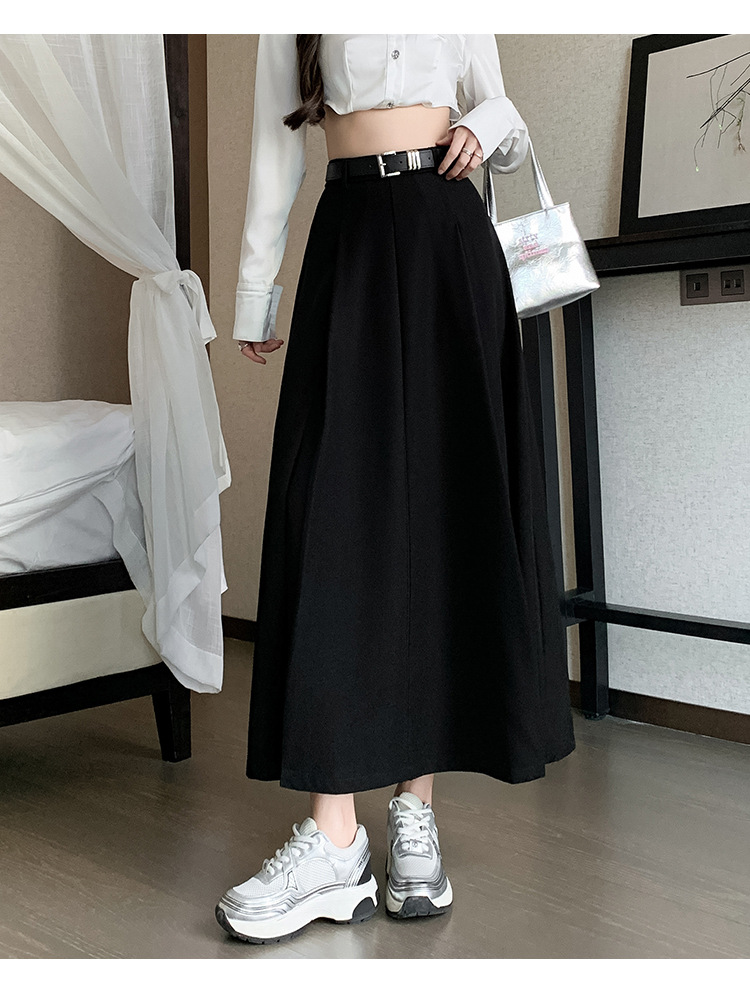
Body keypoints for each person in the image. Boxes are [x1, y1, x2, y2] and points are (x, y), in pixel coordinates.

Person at [215, 34, 576, 945]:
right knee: (333, 515)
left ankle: (416, 815)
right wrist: (256, 288)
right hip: (351, 239)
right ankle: (335, 837)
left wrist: (490, 122)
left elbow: (504, 120)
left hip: (450, 239)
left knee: (444, 515)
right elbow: (274, 142)